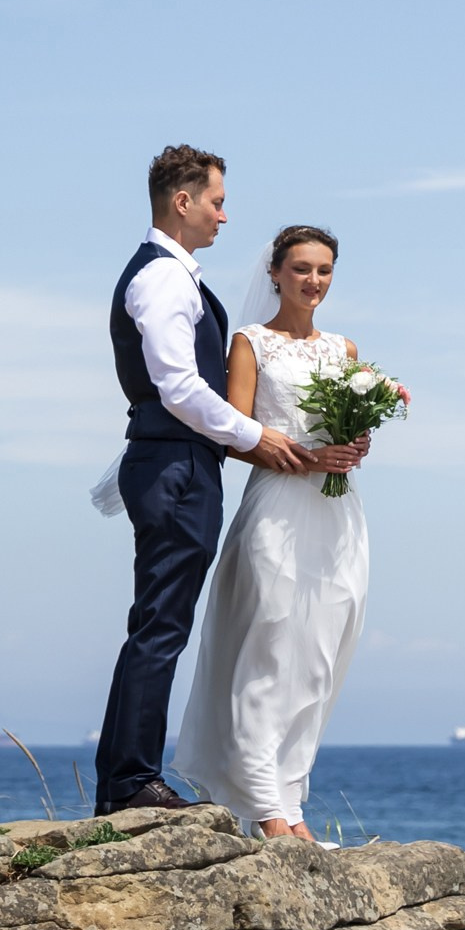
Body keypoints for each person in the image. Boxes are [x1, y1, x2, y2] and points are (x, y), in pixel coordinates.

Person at [93, 144, 359, 815]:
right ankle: (130, 783)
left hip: (183, 464)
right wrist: (256, 436)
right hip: (178, 467)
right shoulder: (161, 278)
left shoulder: (176, 276)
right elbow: (177, 386)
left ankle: (129, 777)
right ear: (182, 202)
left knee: (162, 624)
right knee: (160, 626)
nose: (223, 215)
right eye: (215, 201)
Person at [175, 222, 377, 839]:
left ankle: (292, 798)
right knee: (270, 645)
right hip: (276, 508)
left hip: (336, 514)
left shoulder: (343, 350)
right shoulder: (250, 343)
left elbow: (347, 428)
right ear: (275, 274)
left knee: (318, 657)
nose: (313, 281)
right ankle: (262, 803)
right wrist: (302, 456)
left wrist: (353, 444)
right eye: (301, 269)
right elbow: (233, 436)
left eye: (324, 271)